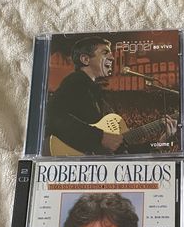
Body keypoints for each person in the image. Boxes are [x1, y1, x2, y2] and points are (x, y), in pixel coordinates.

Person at [46, 35, 177, 155]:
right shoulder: (75, 81)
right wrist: (100, 137)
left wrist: (161, 142)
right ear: (85, 59)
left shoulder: (96, 94)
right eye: (105, 52)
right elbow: (52, 115)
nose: (112, 57)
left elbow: (122, 151)